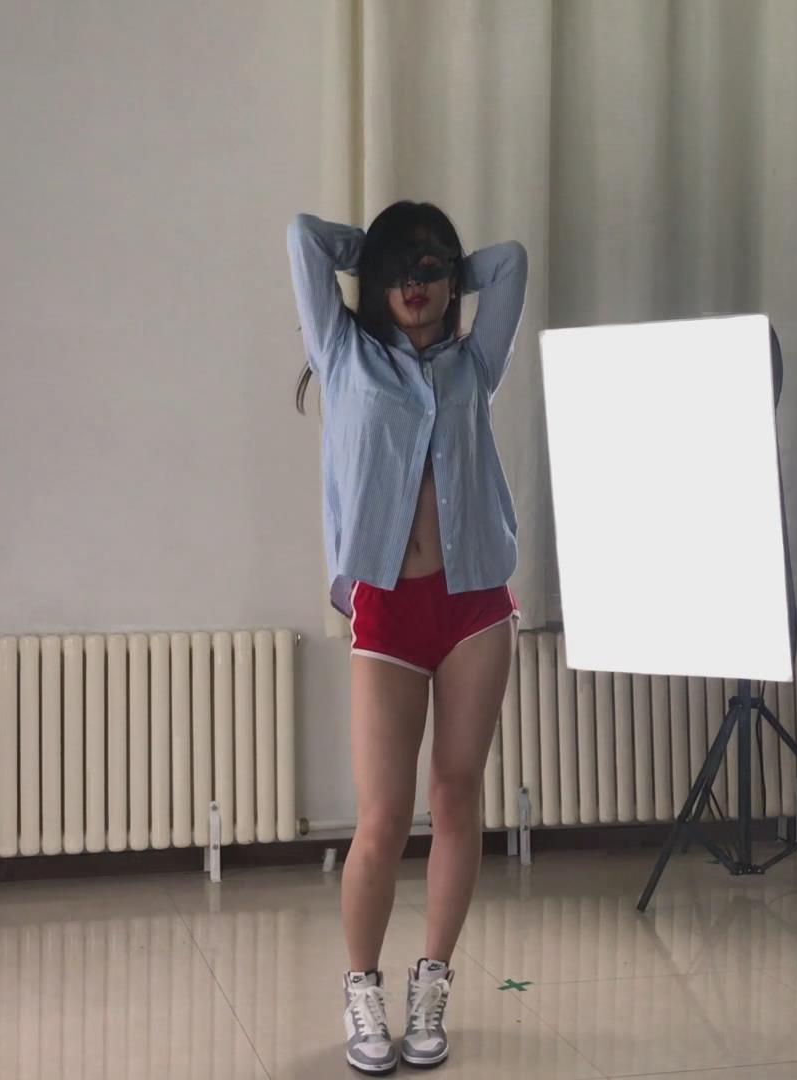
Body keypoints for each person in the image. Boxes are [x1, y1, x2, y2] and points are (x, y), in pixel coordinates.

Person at [286, 203, 528, 1074]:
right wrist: (382, 252)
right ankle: (363, 990)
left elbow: (511, 264)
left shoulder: (473, 364)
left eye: (431, 272)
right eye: (400, 273)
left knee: (457, 798)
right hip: (388, 608)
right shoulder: (343, 354)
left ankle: (433, 984)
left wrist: (444, 260)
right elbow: (302, 238)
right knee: (383, 818)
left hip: (475, 604)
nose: (415, 285)